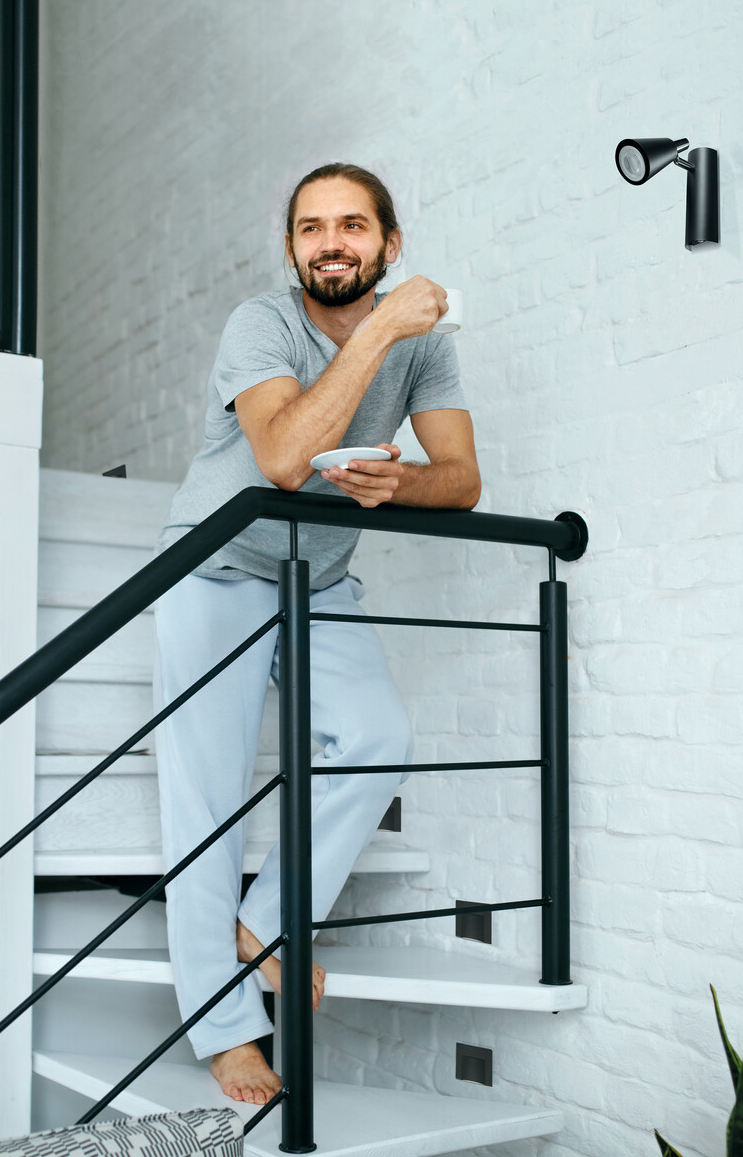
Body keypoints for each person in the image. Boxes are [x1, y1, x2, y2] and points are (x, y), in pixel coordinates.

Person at [151, 162, 482, 1104]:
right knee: (208, 797)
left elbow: (462, 478)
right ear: (292, 247)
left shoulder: (427, 349)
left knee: (378, 738)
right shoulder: (261, 324)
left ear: (390, 241)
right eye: (310, 228)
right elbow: (284, 457)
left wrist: (399, 483)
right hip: (213, 567)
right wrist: (380, 328)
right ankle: (223, 1029)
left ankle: (266, 923)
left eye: (352, 225)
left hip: (321, 575)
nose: (330, 243)